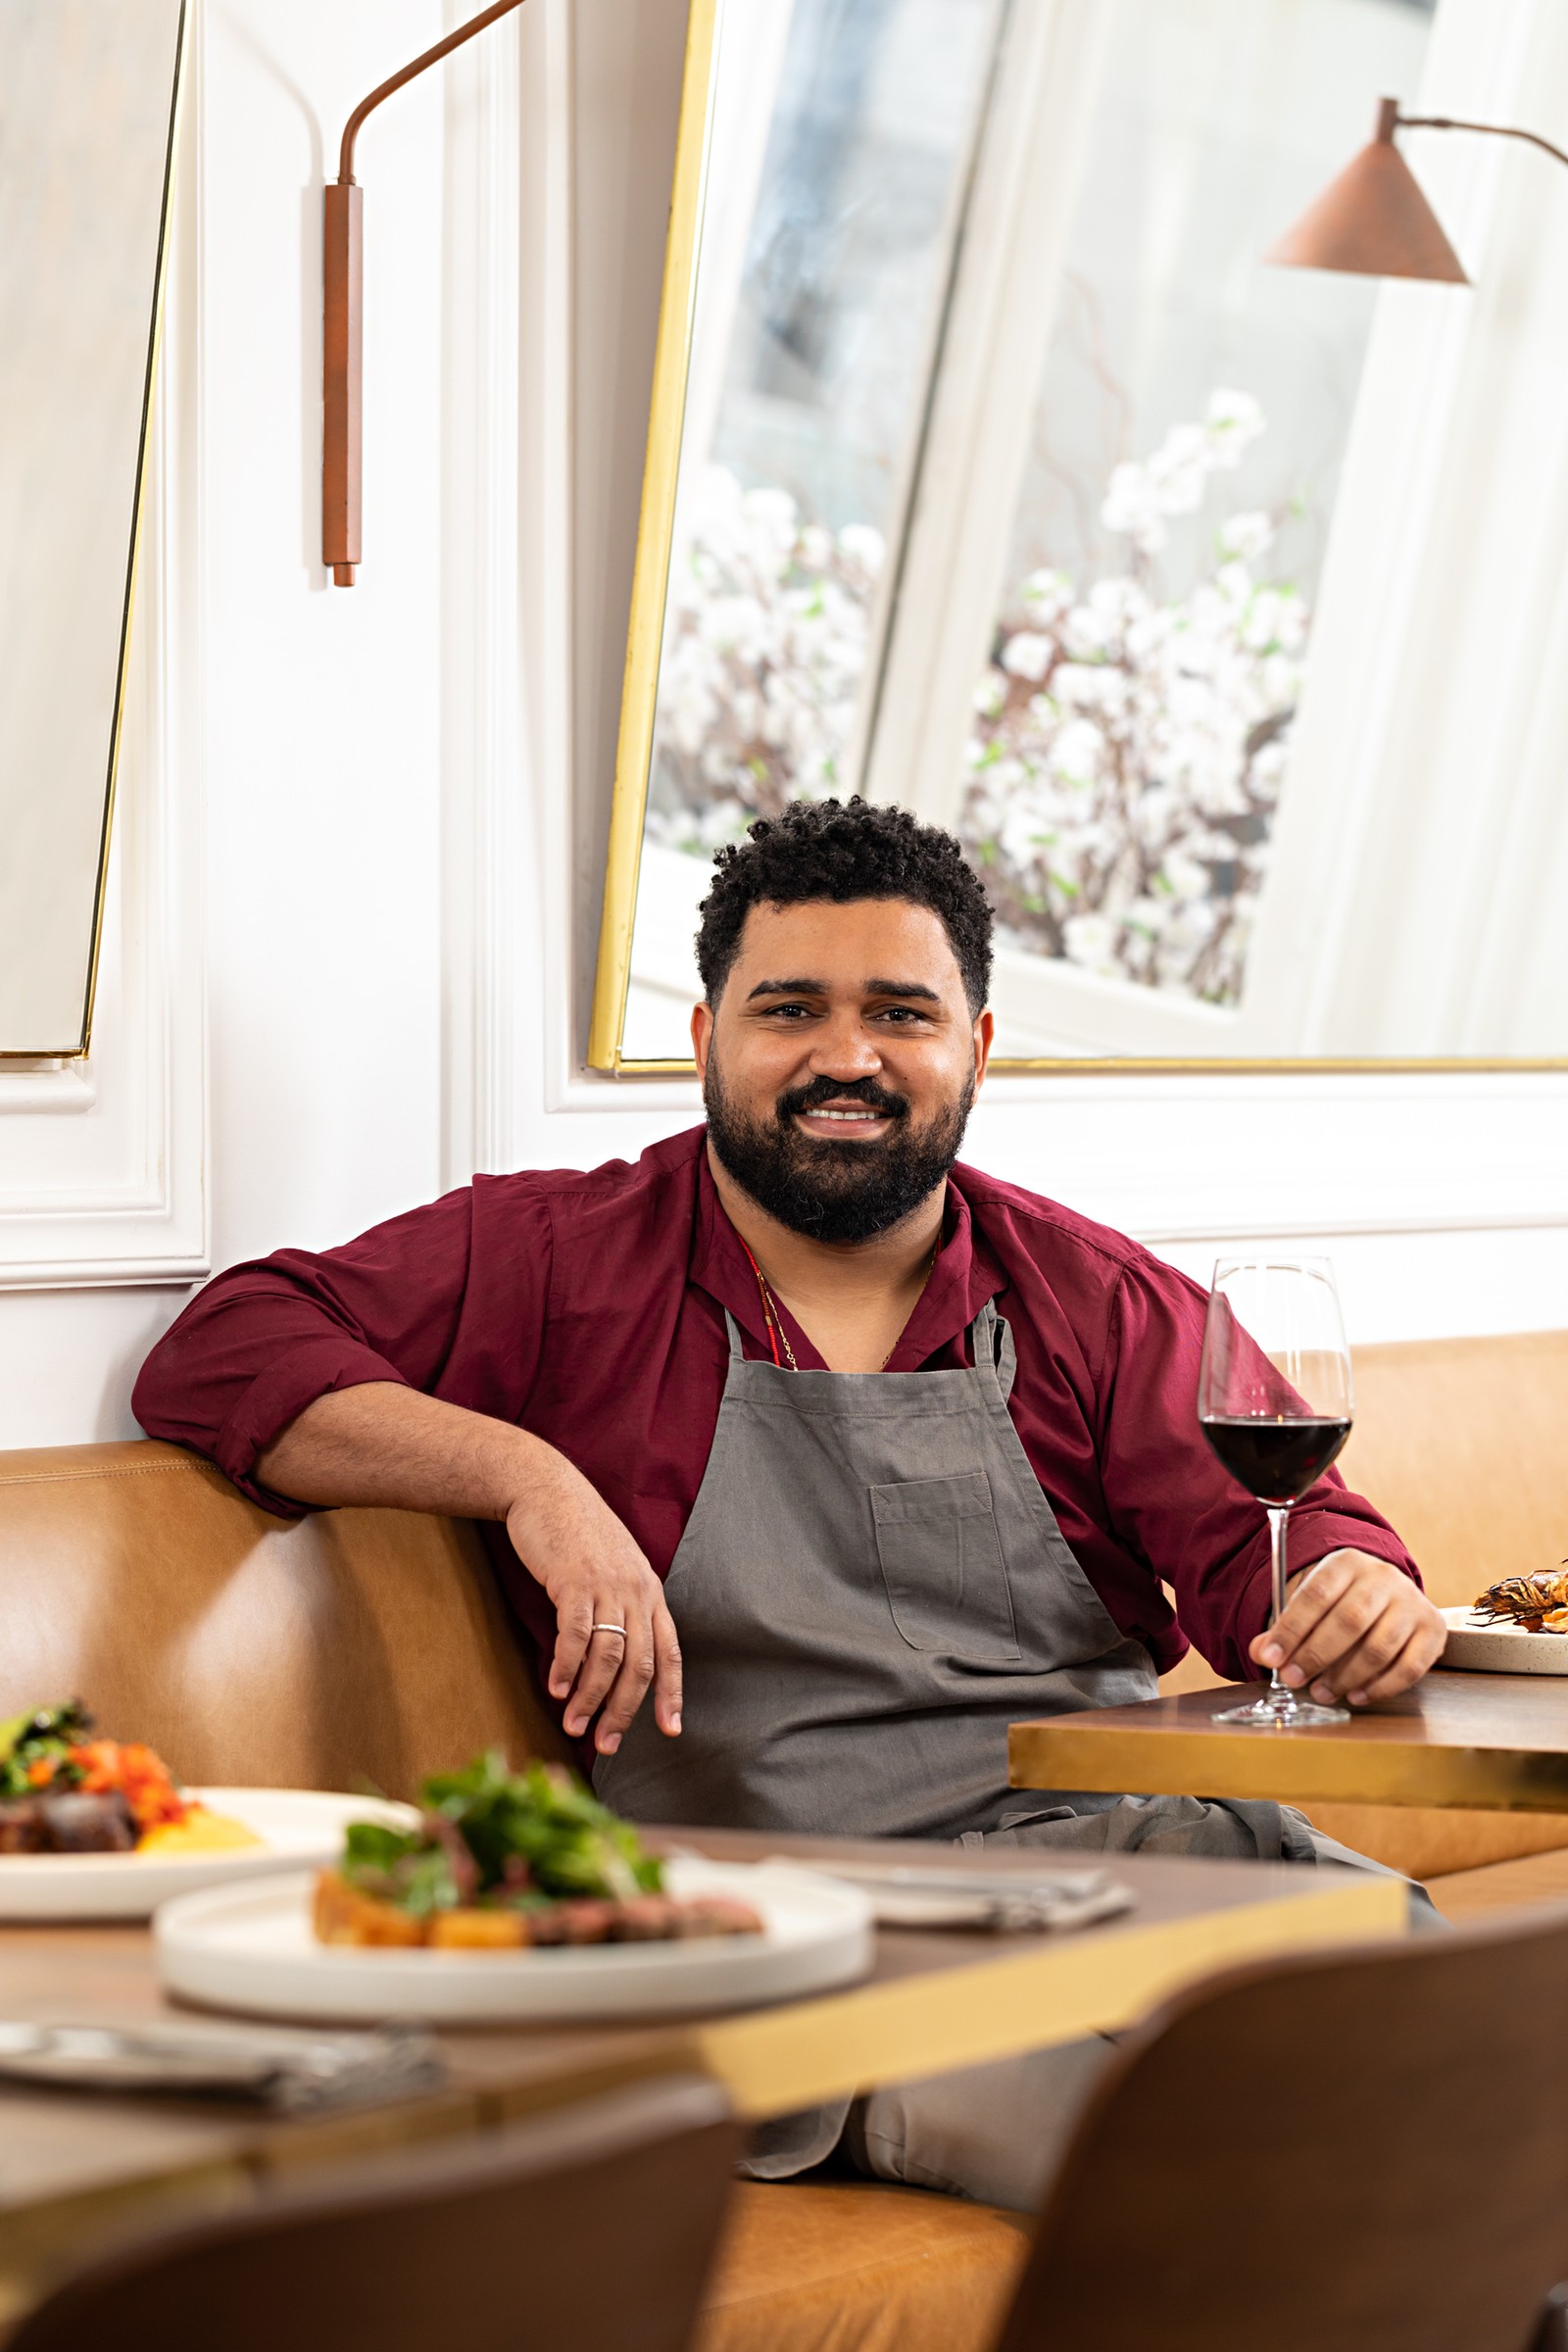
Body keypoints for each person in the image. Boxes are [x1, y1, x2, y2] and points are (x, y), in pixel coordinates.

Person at [134, 797, 1445, 2208]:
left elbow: (1287, 1550)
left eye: (900, 1011)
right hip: (801, 1951)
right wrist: (527, 1475)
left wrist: (1348, 1592)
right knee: (1202, 2169)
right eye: (790, 1009)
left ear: (977, 1051)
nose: (846, 1057)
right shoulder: (559, 1260)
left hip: (1136, 1867)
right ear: (705, 1040)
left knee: (1483, 2053)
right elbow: (229, 1345)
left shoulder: (1093, 1296)